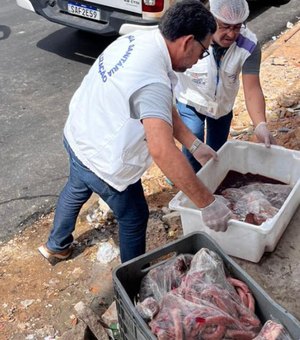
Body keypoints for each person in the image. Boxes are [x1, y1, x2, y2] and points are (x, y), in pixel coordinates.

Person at [38, 0, 232, 264]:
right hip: (102, 156)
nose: (200, 58)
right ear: (187, 42)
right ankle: (130, 286)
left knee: (76, 186)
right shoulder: (152, 79)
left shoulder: (142, 39)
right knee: (134, 217)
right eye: (203, 51)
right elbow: (162, 151)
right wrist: (207, 203)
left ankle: (55, 246)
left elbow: (162, 107)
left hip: (79, 135)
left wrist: (195, 145)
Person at [175, 0, 276, 173]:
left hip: (222, 106)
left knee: (218, 152)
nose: (231, 34)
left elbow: (252, 88)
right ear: (211, 19)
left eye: (237, 27)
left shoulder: (249, 44)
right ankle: (191, 180)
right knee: (194, 145)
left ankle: (213, 183)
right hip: (190, 99)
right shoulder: (192, 36)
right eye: (225, 26)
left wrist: (260, 125)